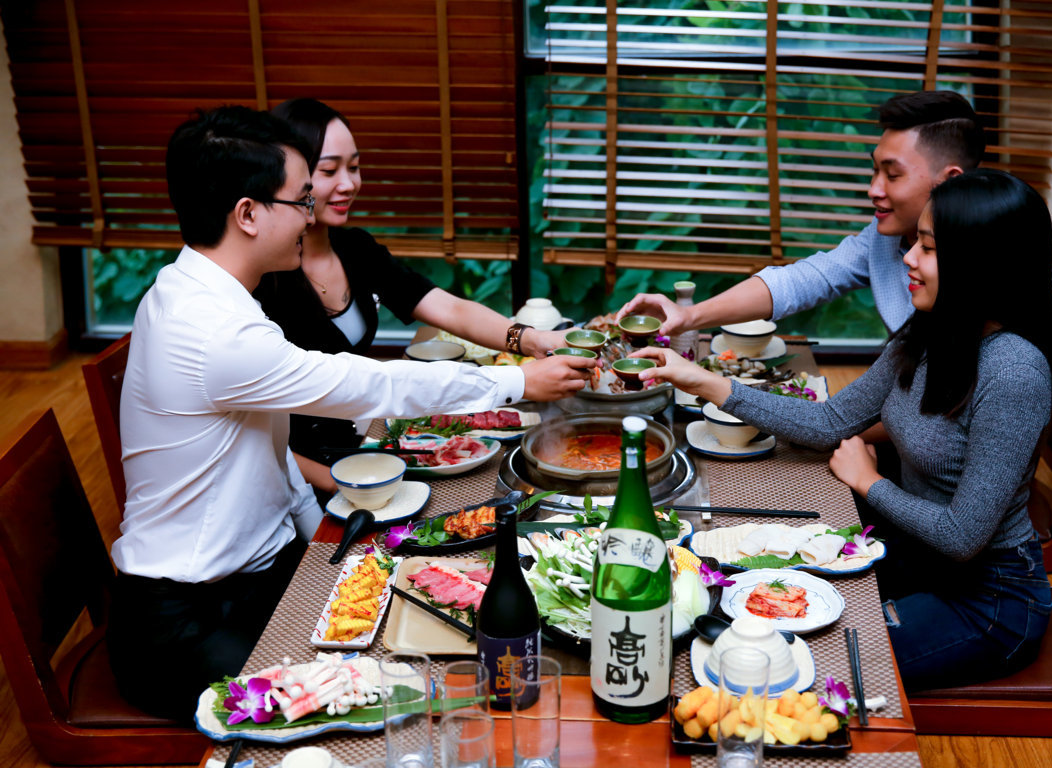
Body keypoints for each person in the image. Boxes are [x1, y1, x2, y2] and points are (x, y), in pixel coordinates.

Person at [106, 106, 591, 719]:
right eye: (300, 199)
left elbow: (266, 452)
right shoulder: (212, 332)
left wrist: (328, 541)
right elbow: (365, 384)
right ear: (249, 214)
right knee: (375, 703)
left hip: (259, 576)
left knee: (420, 623)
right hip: (184, 621)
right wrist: (517, 381)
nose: (310, 214)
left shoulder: (207, 295)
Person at [633, 169, 1052, 691]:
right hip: (919, 559)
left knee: (789, 666)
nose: (907, 258)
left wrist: (868, 482)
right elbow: (831, 421)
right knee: (741, 603)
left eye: (927, 248)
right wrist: (702, 380)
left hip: (988, 602)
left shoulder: (1013, 371)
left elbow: (962, 536)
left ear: (980, 263)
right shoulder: (933, 331)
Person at [254, 98, 572, 496]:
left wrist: (531, 340)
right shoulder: (264, 278)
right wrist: (341, 485)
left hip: (357, 455)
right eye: (329, 170)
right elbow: (259, 437)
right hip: (300, 480)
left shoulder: (353, 248)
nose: (349, 184)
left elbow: (447, 307)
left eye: (354, 167)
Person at [618, 90, 985, 337]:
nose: (873, 189)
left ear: (949, 182)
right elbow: (806, 280)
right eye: (874, 171)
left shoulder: (1000, 272)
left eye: (892, 175)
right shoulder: (884, 238)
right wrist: (690, 316)